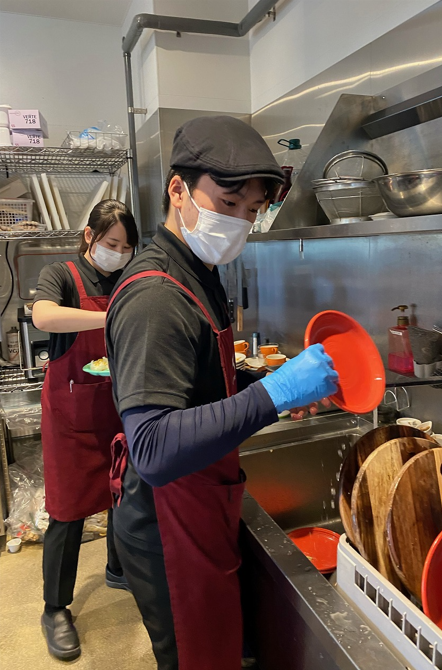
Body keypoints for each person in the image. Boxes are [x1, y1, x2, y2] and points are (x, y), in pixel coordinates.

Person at [105, 116, 338, 670]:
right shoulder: (156, 296)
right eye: (228, 202)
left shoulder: (198, 268)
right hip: (168, 527)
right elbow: (154, 448)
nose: (239, 222)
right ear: (178, 189)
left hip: (198, 506)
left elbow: (199, 385)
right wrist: (274, 393)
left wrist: (265, 388)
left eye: (251, 210)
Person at [33, 199, 139, 662]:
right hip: (72, 416)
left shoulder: (129, 279)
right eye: (113, 244)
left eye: (128, 247)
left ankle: (118, 568)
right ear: (89, 237)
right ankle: (55, 608)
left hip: (118, 408)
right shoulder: (62, 275)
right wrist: (108, 317)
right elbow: (44, 316)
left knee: (124, 496)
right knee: (68, 511)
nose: (120, 254)